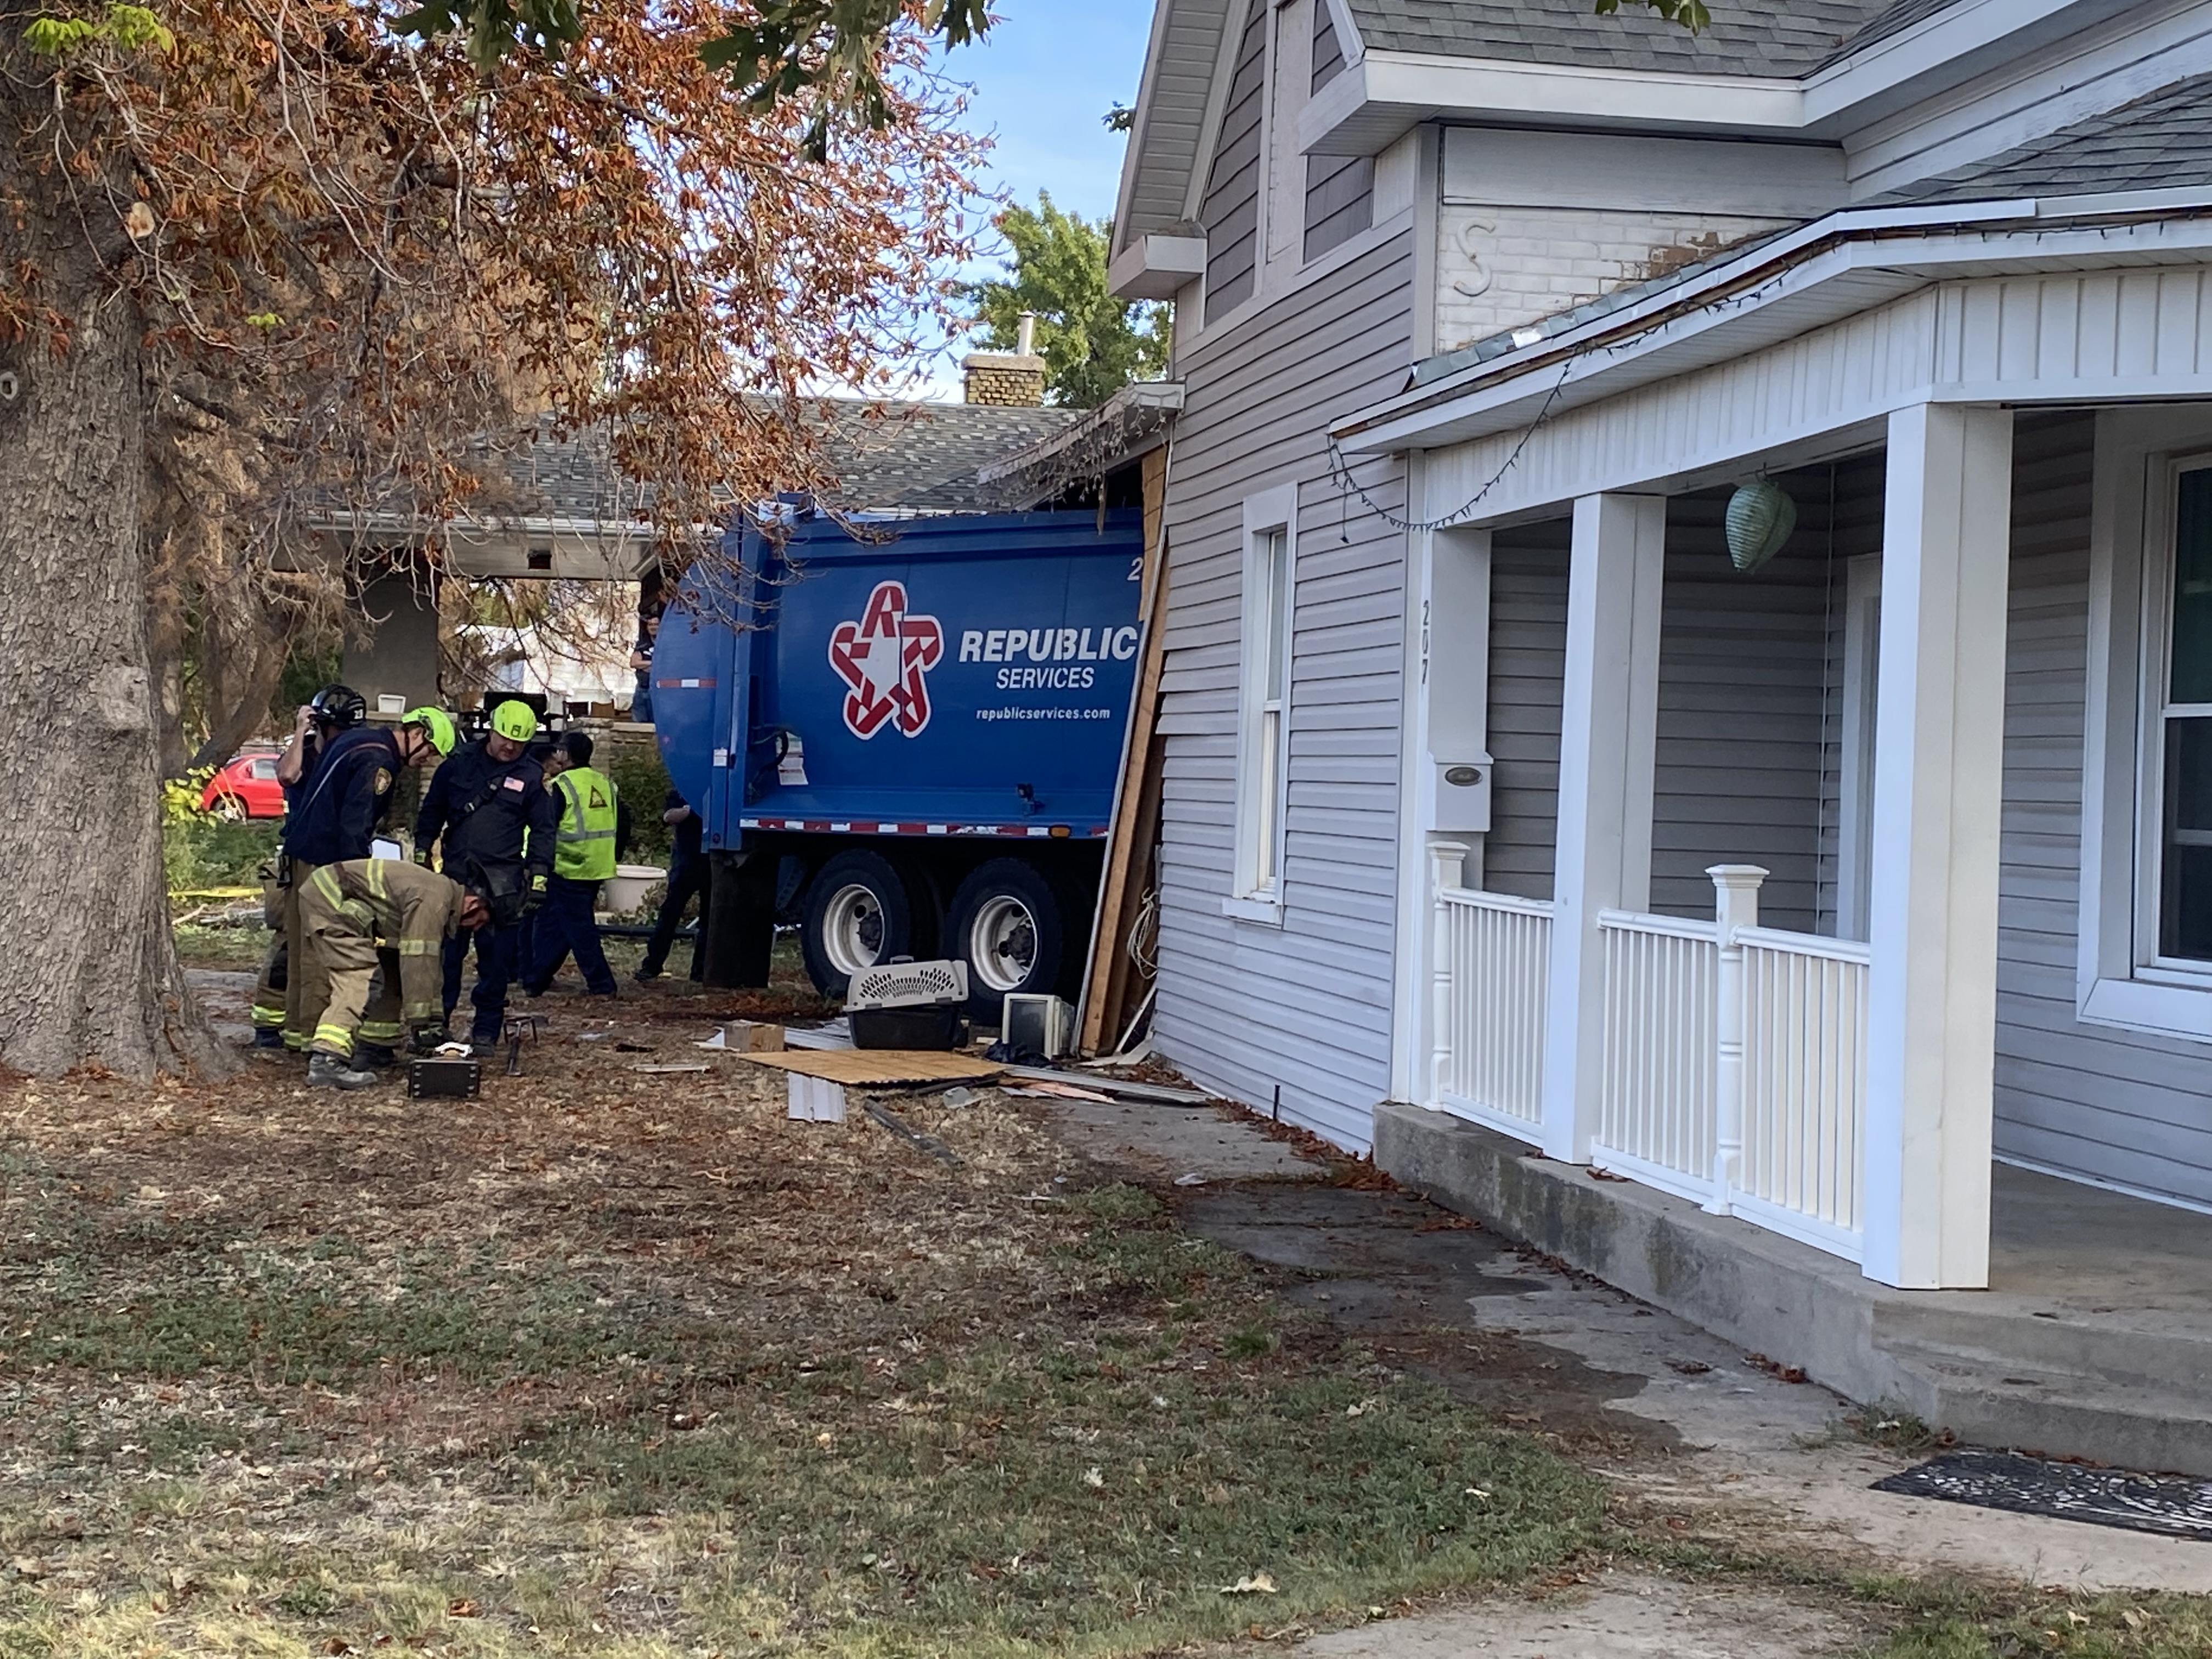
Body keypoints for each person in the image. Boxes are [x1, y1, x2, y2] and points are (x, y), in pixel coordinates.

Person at [273, 703, 455, 1055]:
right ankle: (318, 1044)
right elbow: (355, 824)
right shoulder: (380, 762)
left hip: (301, 851)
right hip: (327, 863)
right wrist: (358, 882)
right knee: (320, 956)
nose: (427, 759)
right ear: (416, 733)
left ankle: (296, 1033)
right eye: (430, 750)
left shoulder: (359, 739)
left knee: (298, 950)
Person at [414, 699, 555, 1053]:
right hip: (456, 876)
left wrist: (539, 875)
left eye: (519, 744)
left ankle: (486, 1031)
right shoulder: (458, 766)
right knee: (445, 958)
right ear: (491, 730)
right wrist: (421, 851)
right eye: (506, 739)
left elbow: (543, 830)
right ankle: (437, 1025)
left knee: (496, 964)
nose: (510, 748)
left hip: (503, 881)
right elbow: (432, 811)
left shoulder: (531, 776)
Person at [297, 857, 492, 1090]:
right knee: (360, 975)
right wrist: (421, 1026)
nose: (474, 930)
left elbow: (431, 969)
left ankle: (375, 1047)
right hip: (332, 898)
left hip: (335, 893)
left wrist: (436, 1022)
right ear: (472, 904)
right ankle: (327, 1061)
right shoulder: (435, 901)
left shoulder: (441, 894)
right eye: (479, 923)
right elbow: (418, 963)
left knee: (388, 965)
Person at [250, 684, 369, 1047]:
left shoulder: (347, 759)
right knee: (286, 942)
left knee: (316, 946)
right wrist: (302, 730)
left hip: (325, 859)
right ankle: (269, 1024)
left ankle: (301, 1028)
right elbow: (286, 776)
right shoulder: (304, 754)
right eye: (336, 730)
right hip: (294, 860)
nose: (341, 739)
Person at [524, 731, 628, 997]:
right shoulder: (606, 783)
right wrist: (614, 855)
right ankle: (536, 979)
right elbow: (624, 823)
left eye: (560, 750)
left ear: (566, 755)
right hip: (597, 867)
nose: (557, 754)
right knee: (553, 924)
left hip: (568, 867)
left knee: (578, 928)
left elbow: (547, 828)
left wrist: (538, 864)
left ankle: (602, 984)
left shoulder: (562, 785)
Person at [636, 787, 710, 983]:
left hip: (712, 861)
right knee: (670, 914)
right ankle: (652, 965)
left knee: (709, 920)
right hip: (687, 861)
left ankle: (700, 971)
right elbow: (669, 817)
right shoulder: (682, 787)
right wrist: (692, 809)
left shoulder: (719, 788)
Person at [629, 610, 660, 725]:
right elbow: (634, 663)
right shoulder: (642, 644)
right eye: (650, 625)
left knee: (656, 722)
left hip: (658, 689)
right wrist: (652, 663)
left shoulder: (666, 644)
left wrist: (644, 663)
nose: (653, 627)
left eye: (656, 624)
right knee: (639, 723)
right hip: (642, 687)